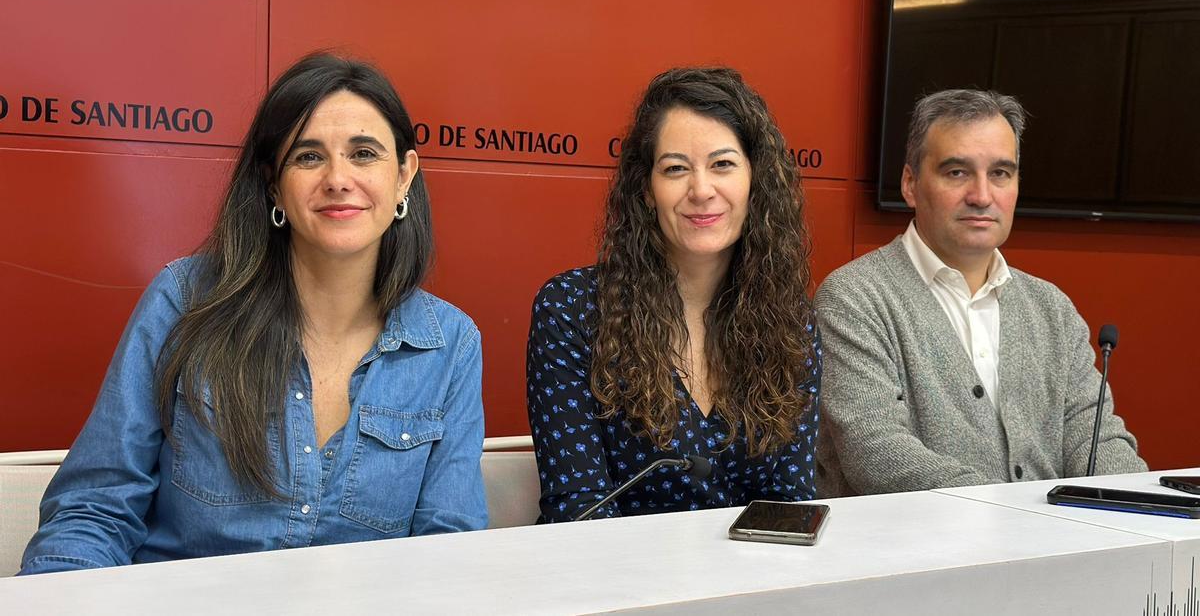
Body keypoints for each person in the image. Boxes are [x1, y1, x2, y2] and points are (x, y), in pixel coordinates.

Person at [20, 53, 487, 574]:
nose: (338, 178)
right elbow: (95, 510)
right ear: (272, 184)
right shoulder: (185, 301)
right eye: (308, 157)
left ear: (404, 176)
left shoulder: (450, 343)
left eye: (363, 154)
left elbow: (449, 552)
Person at [815, 89, 1146, 497]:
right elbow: (877, 453)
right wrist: (1018, 520)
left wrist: (1142, 503)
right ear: (910, 184)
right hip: (916, 556)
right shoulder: (855, 298)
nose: (982, 196)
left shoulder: (1051, 308)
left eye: (1000, 174)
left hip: (1053, 548)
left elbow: (1095, 439)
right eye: (957, 172)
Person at [526, 67, 821, 523]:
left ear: (754, 180)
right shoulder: (573, 308)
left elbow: (791, 503)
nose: (701, 190)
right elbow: (577, 509)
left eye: (722, 164)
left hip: (754, 582)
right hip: (618, 582)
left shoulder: (791, 322)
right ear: (646, 190)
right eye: (676, 168)